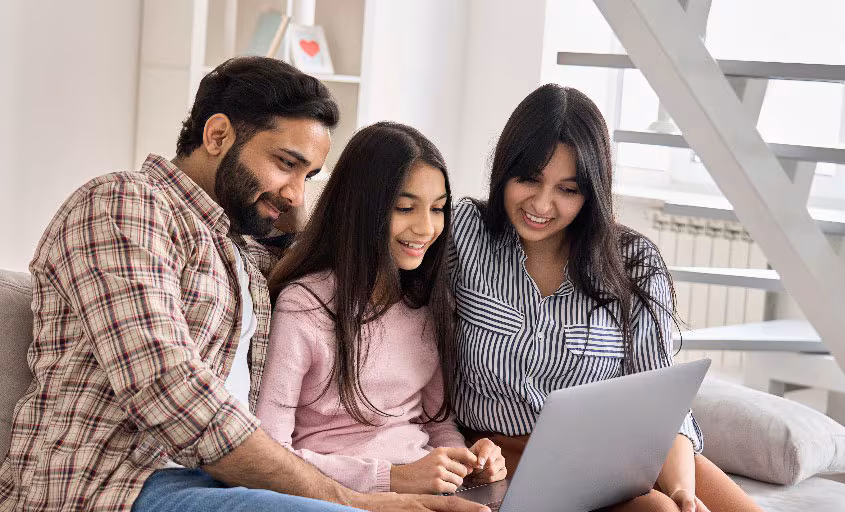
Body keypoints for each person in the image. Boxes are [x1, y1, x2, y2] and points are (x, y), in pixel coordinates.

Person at [0, 57, 487, 512]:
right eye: (285, 162)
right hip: (118, 482)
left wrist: (290, 198)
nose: (297, 190)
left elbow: (345, 240)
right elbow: (169, 391)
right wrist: (353, 498)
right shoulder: (125, 204)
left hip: (220, 481)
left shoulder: (244, 249)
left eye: (310, 174)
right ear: (217, 134)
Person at [448, 84, 764, 512]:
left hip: (617, 457)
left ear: (592, 192)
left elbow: (659, 403)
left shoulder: (634, 262)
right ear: (505, 171)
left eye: (568, 189)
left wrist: (683, 490)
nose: (542, 204)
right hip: (500, 455)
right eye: (528, 179)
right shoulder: (464, 232)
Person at [260, 122, 507, 496]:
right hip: (341, 497)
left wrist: (467, 461)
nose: (426, 228)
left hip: (425, 490)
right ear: (362, 208)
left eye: (438, 209)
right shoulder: (304, 306)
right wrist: (390, 478)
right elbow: (271, 454)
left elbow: (437, 425)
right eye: (406, 208)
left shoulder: (425, 304)